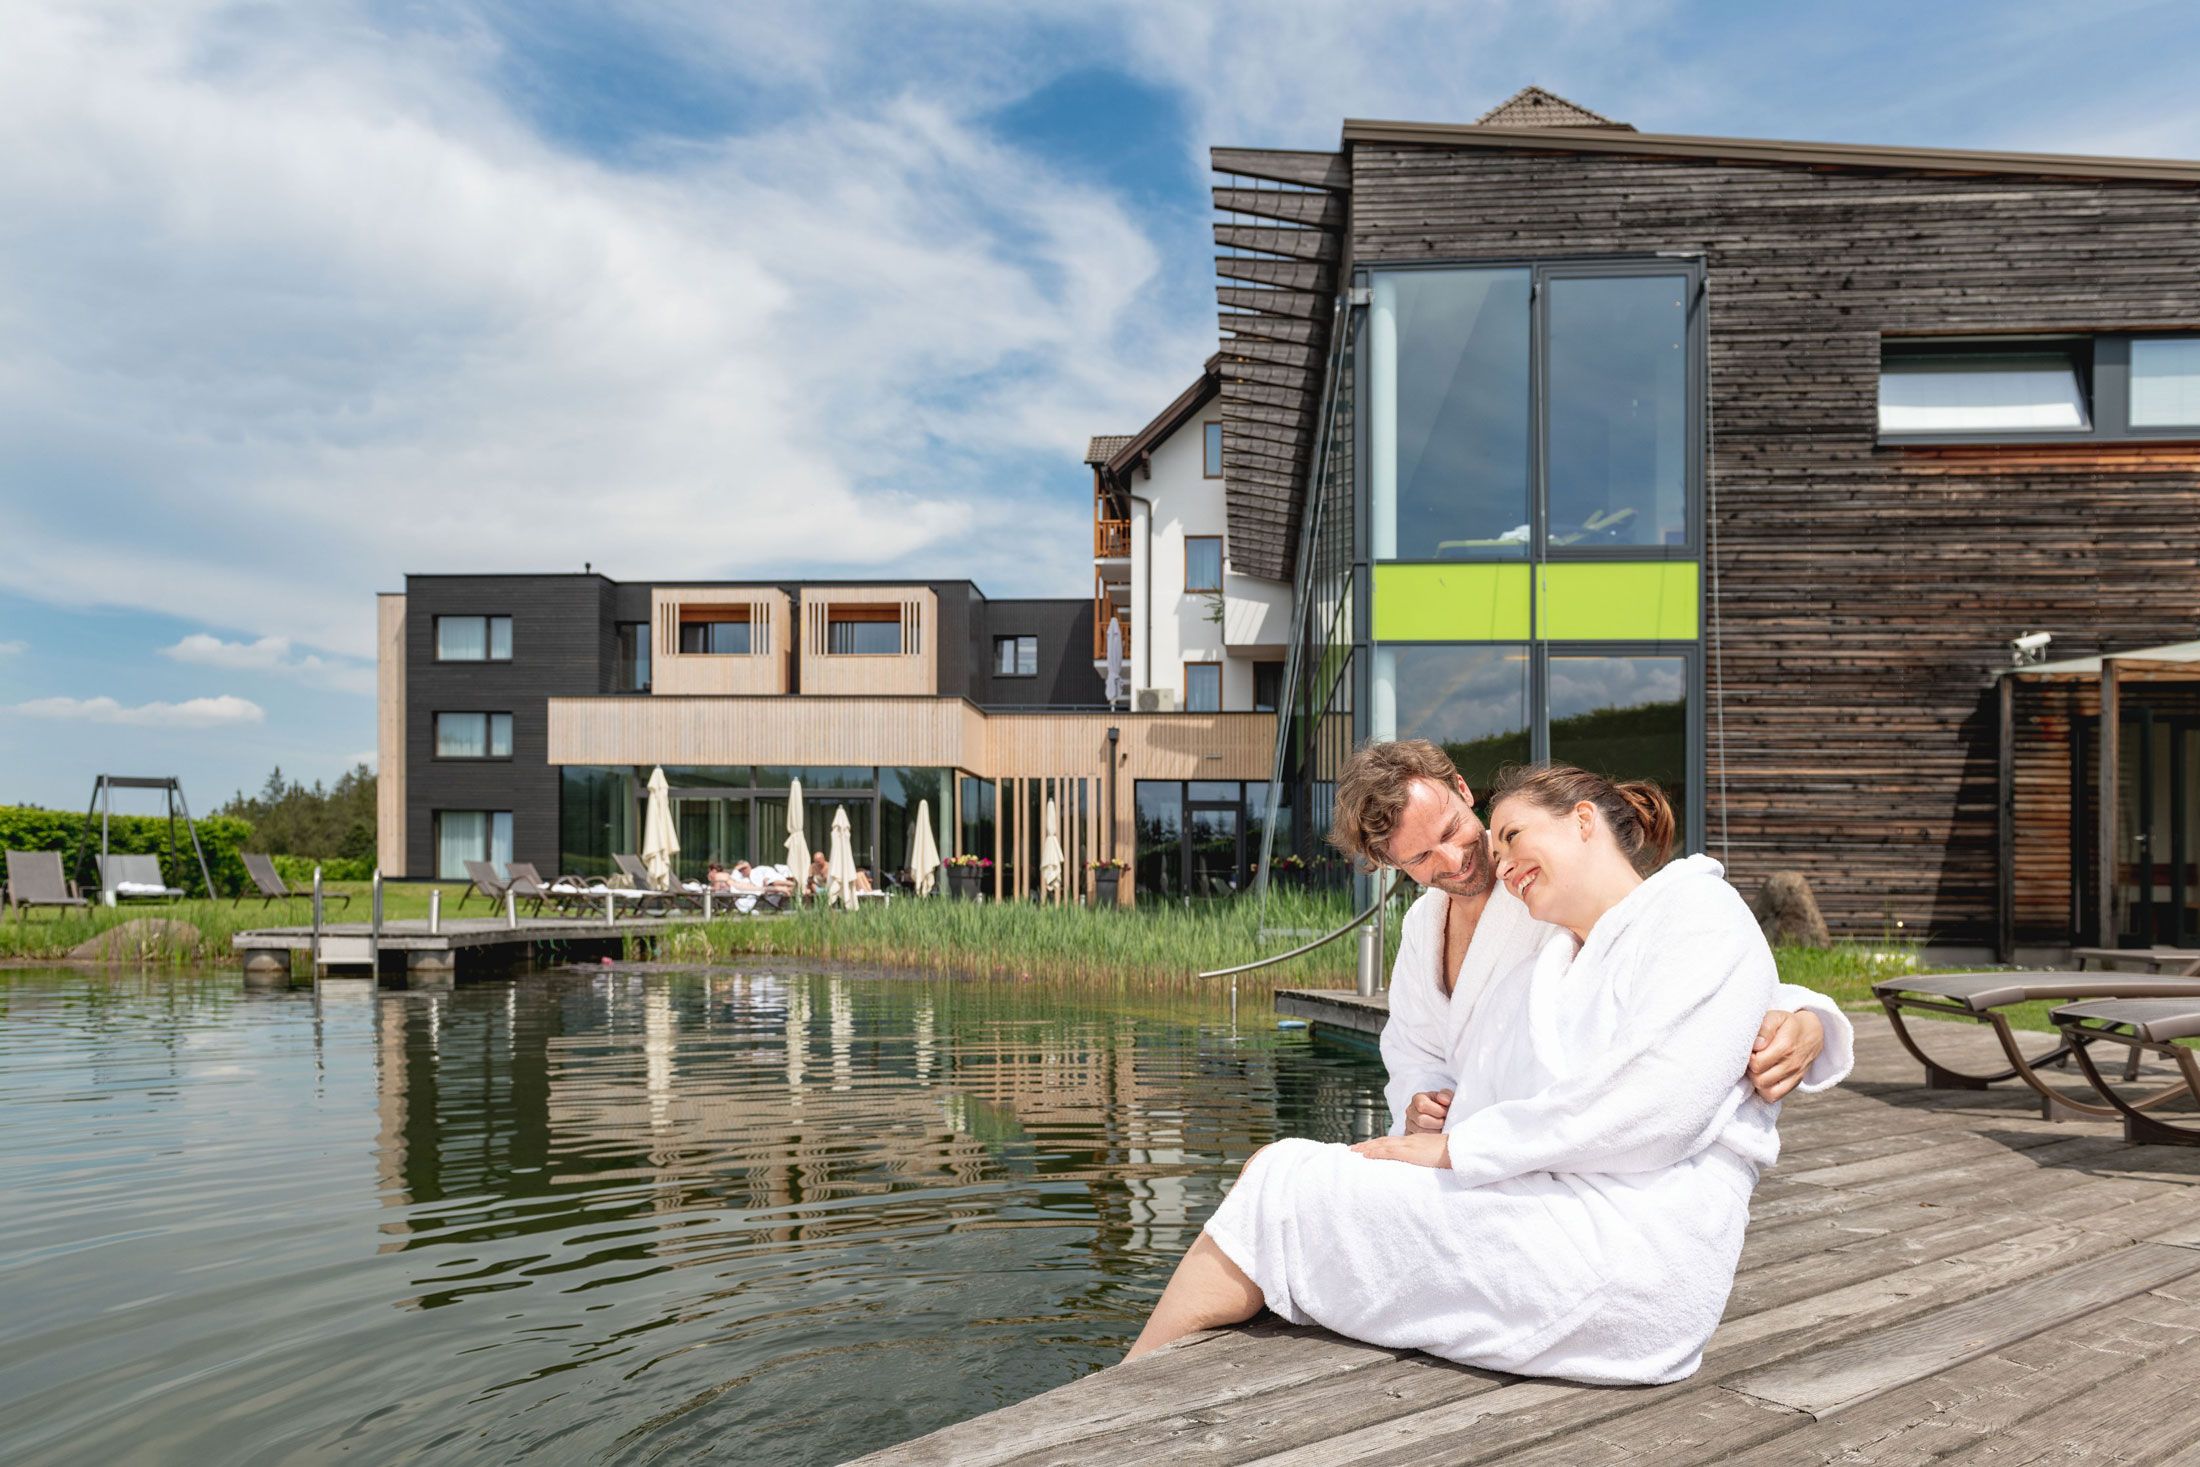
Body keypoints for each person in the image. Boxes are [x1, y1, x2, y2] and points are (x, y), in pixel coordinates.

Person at [1125, 756, 1851, 1385]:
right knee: (1280, 1177)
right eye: (1421, 858)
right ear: (1396, 868)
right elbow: (1414, 1049)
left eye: (1458, 830)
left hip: (1620, 1233)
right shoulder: (1496, 936)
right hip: (1543, 1180)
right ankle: (1139, 1376)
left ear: (1464, 790)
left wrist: (1807, 1015)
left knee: (1282, 1188)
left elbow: (1683, 1015)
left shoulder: (1578, 896)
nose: (1465, 860)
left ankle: (1126, 1385)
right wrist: (1422, 1110)